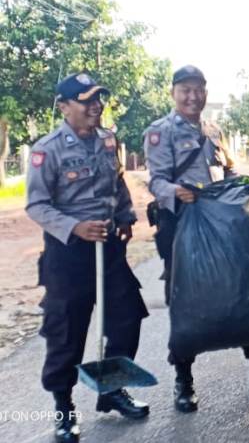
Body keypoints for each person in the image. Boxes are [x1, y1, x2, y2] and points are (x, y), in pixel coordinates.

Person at [144, 65, 249, 413]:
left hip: (223, 226)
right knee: (186, 302)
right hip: (183, 226)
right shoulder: (160, 131)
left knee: (245, 291)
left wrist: (239, 183)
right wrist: (177, 192)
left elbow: (228, 169)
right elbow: (156, 181)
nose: (193, 96)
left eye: (198, 89)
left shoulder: (213, 130)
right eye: (185, 89)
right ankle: (184, 381)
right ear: (173, 93)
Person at [27, 73, 149, 442]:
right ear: (64, 106)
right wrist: (75, 227)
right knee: (67, 332)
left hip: (109, 248)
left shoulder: (108, 141)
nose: (96, 105)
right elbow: (36, 204)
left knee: (128, 318)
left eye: (99, 99)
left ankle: (111, 389)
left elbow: (118, 181)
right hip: (69, 255)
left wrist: (125, 215)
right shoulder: (46, 150)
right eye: (86, 100)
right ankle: (64, 408)